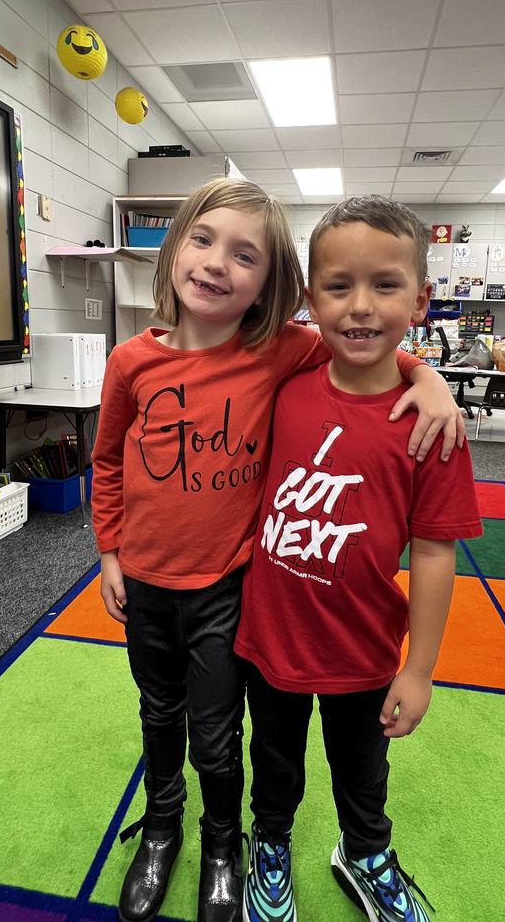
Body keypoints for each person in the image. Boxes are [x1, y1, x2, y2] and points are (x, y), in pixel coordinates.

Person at [90, 179, 465, 922]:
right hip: (162, 590)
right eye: (203, 239)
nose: (216, 263)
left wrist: (429, 377)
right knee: (164, 716)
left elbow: (366, 354)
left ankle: (229, 845)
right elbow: (105, 461)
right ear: (174, 247)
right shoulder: (133, 362)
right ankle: (165, 827)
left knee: (227, 736)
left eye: (245, 255)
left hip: (234, 595)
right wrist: (109, 550)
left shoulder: (278, 353)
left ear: (272, 285)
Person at [235, 195, 483, 922]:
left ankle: (364, 853)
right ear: (311, 299)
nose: (361, 306)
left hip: (365, 647)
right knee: (272, 765)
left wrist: (420, 668)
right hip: (270, 636)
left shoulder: (433, 427)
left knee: (362, 771)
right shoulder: (283, 388)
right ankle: (270, 847)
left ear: (421, 300)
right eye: (339, 286)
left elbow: (435, 552)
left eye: (385, 285)